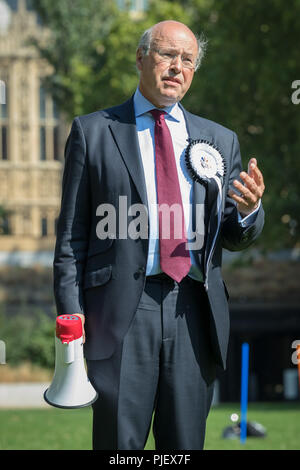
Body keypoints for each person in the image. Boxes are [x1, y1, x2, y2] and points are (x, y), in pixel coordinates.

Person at [53, 20, 265, 450]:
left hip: (193, 312)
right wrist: (72, 326)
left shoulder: (219, 140)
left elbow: (232, 234)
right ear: (140, 58)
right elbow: (71, 243)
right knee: (119, 447)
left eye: (187, 61)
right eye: (167, 55)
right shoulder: (93, 133)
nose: (177, 68)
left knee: (184, 447)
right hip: (119, 315)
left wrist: (249, 211)